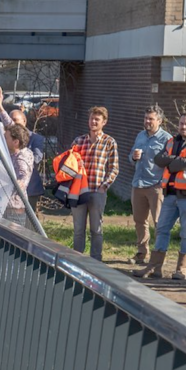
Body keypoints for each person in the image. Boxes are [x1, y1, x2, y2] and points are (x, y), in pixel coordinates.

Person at [134, 113, 186, 282]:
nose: (183, 127)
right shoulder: (172, 141)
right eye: (181, 124)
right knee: (162, 229)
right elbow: (158, 159)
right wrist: (177, 160)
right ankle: (154, 268)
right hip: (170, 195)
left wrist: (172, 163)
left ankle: (181, 270)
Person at [68, 106, 119, 261]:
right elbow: (69, 163)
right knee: (78, 229)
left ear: (104, 122)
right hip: (79, 191)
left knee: (96, 228)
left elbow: (114, 167)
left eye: (97, 119)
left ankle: (96, 259)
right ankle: (77, 259)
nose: (93, 122)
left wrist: (105, 186)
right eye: (91, 118)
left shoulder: (109, 142)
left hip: (97, 190)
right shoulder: (79, 140)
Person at [127, 106, 172, 265]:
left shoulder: (167, 139)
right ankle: (141, 253)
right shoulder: (140, 135)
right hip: (138, 184)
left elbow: (170, 164)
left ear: (159, 120)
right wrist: (133, 156)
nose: (147, 121)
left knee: (159, 222)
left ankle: (159, 256)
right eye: (145, 118)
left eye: (150, 119)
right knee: (140, 221)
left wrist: (163, 184)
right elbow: (130, 157)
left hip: (156, 186)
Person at [0, 87, 46, 216]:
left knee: (27, 228)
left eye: (15, 121)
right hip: (8, 202)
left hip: (17, 204)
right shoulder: (15, 139)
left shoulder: (23, 153)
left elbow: (23, 173)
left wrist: (20, 183)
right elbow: (10, 126)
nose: (5, 139)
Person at [3, 123, 34, 221]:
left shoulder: (20, 158)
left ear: (16, 142)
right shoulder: (25, 152)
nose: (3, 140)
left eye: (6, 138)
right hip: (14, 206)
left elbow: (23, 174)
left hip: (13, 209)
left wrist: (20, 182)